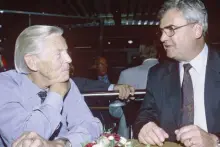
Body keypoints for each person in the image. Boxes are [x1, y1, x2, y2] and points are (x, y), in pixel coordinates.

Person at [134, 0, 220, 147]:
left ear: (197, 30)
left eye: (171, 29)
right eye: (161, 31)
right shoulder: (157, 74)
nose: (162, 38)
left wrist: (214, 141)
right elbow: (145, 116)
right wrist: (145, 127)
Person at [0, 25, 103, 147]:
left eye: (66, 52)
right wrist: (56, 95)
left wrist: (62, 143)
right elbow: (23, 140)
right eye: (58, 54)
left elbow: (92, 126)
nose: (69, 59)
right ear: (32, 62)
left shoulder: (64, 81)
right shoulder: (6, 85)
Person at [114, 44, 158, 138]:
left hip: (131, 129)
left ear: (140, 53)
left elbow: (116, 107)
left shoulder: (126, 74)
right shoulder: (174, 73)